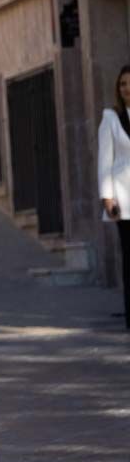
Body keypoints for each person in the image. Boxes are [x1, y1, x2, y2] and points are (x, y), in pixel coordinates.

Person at [98, 64, 130, 330]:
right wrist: (107, 197)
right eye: (122, 84)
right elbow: (104, 161)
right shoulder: (111, 118)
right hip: (124, 199)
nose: (127, 88)